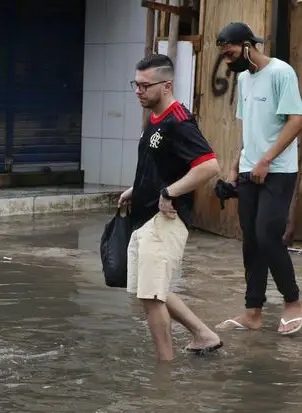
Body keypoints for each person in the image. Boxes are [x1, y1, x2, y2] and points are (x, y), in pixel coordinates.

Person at [117, 54, 223, 361]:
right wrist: (136, 189)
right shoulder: (155, 119)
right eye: (135, 84)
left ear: (167, 86)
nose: (138, 91)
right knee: (150, 291)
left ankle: (164, 369)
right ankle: (204, 335)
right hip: (146, 215)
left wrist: (169, 192)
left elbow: (209, 166)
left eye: (145, 85)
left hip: (165, 219)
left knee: (151, 296)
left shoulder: (179, 122)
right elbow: (162, 166)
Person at [213, 23, 302, 335]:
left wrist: (266, 159)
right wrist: (236, 167)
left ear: (248, 45)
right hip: (250, 169)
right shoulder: (243, 78)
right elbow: (248, 128)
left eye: (231, 53)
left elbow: (296, 120)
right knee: (251, 241)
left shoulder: (281, 73)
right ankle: (253, 312)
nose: (228, 60)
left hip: (278, 171)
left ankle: (293, 303)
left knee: (267, 235)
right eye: (224, 55)